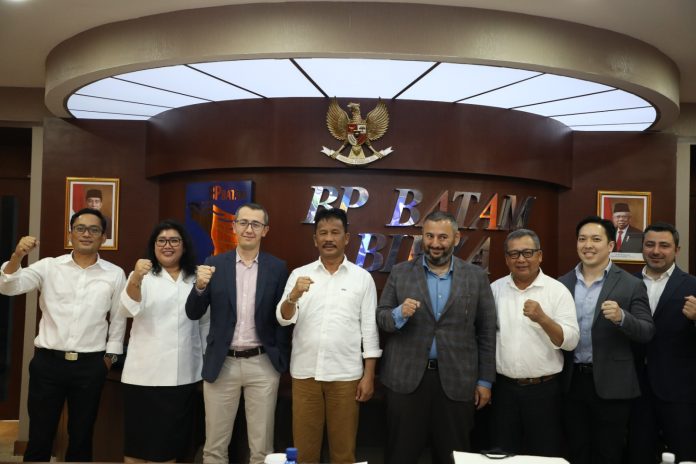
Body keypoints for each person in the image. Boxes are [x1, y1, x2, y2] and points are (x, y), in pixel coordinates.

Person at [0, 208, 126, 462]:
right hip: (48, 364)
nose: (86, 234)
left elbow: (118, 318)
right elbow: (8, 286)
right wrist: (17, 256)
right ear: (70, 234)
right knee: (40, 436)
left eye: (94, 230)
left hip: (91, 366)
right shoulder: (49, 266)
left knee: (82, 436)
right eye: (80, 228)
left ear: (103, 237)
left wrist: (109, 359)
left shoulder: (115, 273)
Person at [376, 210, 496, 464]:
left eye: (443, 237)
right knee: (400, 455)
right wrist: (399, 313)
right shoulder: (400, 272)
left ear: (456, 238)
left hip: (457, 382)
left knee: (453, 457)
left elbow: (486, 332)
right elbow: (382, 318)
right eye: (429, 236)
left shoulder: (476, 277)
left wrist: (485, 381)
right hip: (405, 381)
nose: (435, 243)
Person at [186, 203, 290, 464]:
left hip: (262, 364)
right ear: (233, 227)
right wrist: (199, 287)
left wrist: (279, 359)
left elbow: (283, 319)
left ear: (265, 230)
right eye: (243, 222)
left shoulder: (277, 268)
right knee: (214, 447)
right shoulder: (213, 264)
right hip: (222, 363)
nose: (249, 229)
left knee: (262, 450)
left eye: (256, 224)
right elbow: (193, 312)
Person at [276, 207, 381, 464]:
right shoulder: (299, 275)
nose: (329, 238)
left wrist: (369, 375)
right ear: (315, 239)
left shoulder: (362, 278)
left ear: (347, 238)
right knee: (305, 451)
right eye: (323, 233)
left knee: (343, 452)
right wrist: (293, 296)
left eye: (335, 232)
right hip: (305, 374)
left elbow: (369, 330)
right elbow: (283, 318)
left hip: (346, 376)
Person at [558, 215, 654, 464]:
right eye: (582, 239)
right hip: (571, 382)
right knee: (575, 451)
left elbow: (647, 331)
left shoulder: (631, 284)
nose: (588, 245)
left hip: (613, 385)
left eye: (595, 239)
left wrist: (623, 318)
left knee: (608, 454)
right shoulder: (561, 284)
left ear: (611, 245)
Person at [120, 220, 207, 462]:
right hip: (143, 376)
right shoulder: (142, 275)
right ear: (153, 246)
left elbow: (205, 323)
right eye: (162, 241)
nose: (168, 245)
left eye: (174, 240)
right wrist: (136, 277)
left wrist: (206, 363)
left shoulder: (197, 277)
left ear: (184, 246)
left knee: (170, 447)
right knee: (137, 446)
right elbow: (127, 309)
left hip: (182, 375)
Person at [490, 229, 579, 457]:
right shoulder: (494, 290)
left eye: (527, 253)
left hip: (544, 392)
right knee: (501, 454)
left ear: (540, 255)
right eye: (514, 254)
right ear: (506, 259)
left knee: (543, 455)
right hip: (503, 390)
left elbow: (570, 342)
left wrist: (542, 318)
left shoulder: (557, 291)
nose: (521, 259)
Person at [627, 222, 696, 464]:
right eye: (650, 244)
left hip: (680, 392)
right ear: (642, 248)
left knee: (684, 455)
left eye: (664, 245)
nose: (656, 251)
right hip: (634, 389)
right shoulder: (626, 283)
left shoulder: (693, 285)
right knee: (637, 454)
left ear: (677, 250)